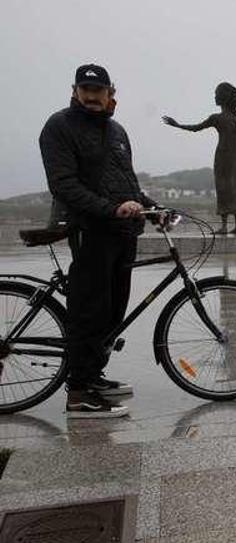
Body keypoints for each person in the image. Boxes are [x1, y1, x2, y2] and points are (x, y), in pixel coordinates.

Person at [40, 63, 164, 418]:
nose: (92, 97)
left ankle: (93, 376)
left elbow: (127, 183)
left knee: (112, 311)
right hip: (90, 229)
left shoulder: (117, 131)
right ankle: (78, 393)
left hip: (123, 232)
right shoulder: (60, 126)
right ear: (75, 91)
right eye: (85, 90)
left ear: (111, 94)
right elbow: (63, 185)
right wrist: (111, 209)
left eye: (99, 91)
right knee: (90, 312)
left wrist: (153, 207)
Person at [162, 82, 236, 234]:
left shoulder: (217, 118)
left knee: (224, 189)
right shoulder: (235, 118)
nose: (214, 97)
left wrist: (178, 125)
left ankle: (224, 226)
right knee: (235, 189)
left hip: (223, 158)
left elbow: (196, 128)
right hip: (234, 158)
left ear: (222, 97)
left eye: (216, 94)